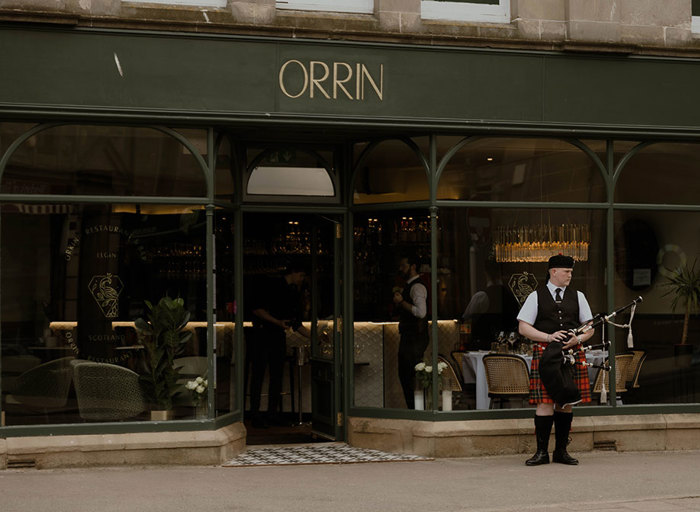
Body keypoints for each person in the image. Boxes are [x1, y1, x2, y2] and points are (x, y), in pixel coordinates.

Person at [517, 254, 594, 466]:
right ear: (553, 272)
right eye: (567, 271)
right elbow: (523, 327)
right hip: (545, 353)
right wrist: (548, 337)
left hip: (571, 354)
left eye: (571, 271)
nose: (570, 275)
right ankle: (542, 452)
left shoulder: (578, 296)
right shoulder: (536, 296)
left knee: (566, 401)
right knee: (544, 403)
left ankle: (561, 451)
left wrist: (577, 338)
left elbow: (590, 327)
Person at [249, 262, 310, 428]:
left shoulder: (293, 293)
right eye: (302, 276)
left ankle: (272, 414)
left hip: (278, 336)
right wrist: (277, 322)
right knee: (258, 375)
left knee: (276, 376)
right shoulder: (270, 285)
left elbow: (296, 323)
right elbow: (257, 310)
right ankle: (255, 414)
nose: (302, 280)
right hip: (262, 334)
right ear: (295, 272)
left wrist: (314, 337)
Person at [393, 254, 429, 409]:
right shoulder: (409, 286)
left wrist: (402, 302)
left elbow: (421, 312)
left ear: (413, 266)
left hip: (414, 338)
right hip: (410, 337)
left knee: (409, 375)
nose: (401, 269)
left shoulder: (417, 287)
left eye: (404, 265)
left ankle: (416, 410)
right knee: (406, 375)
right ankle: (414, 409)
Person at [462, 259, 520, 350]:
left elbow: (466, 319)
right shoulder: (511, 296)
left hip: (483, 348)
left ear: (485, 273)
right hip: (507, 349)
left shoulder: (481, 296)